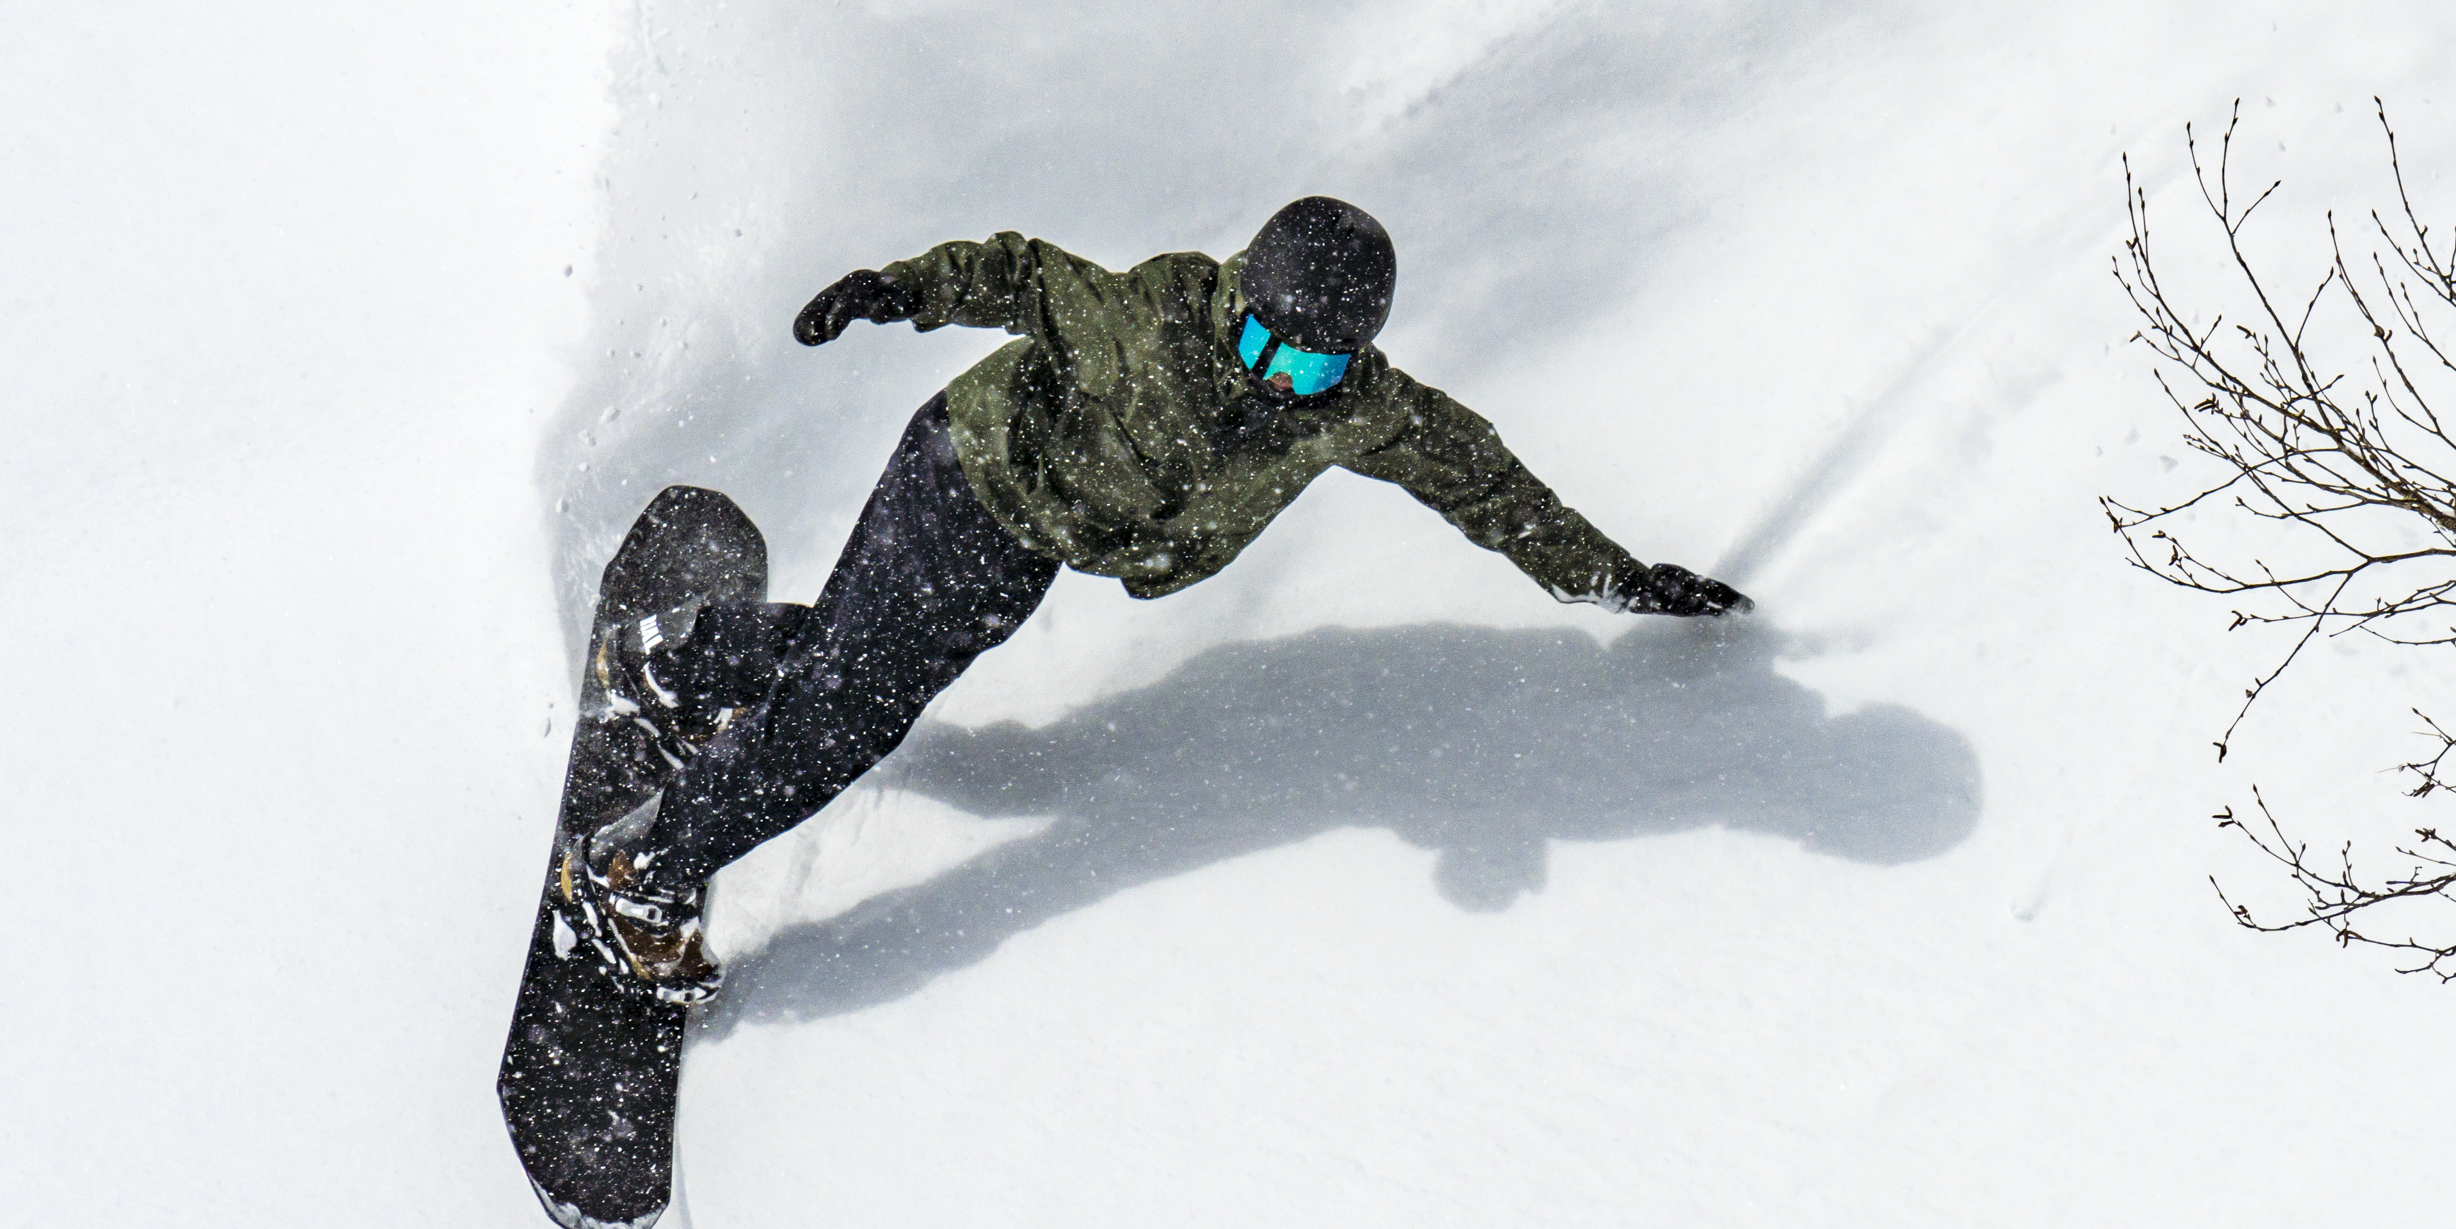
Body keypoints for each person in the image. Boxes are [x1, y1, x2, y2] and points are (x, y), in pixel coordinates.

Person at [556, 195, 1748, 1000]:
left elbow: (1485, 481)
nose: (1280, 383)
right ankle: (635, 874)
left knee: (869, 664)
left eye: (1317, 365)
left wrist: (1613, 577)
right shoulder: (1158, 319)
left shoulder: (1355, 408)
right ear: (1244, 303)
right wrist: (895, 290)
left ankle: (683, 658)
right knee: (850, 711)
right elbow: (1022, 277)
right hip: (966, 481)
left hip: (1033, 541)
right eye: (1272, 349)